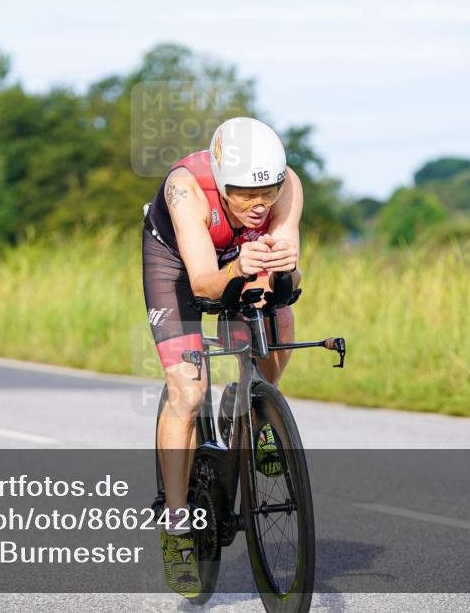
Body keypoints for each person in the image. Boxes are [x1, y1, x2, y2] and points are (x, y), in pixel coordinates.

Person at [141, 117, 303, 596]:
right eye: (244, 194)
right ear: (219, 177)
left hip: (237, 255)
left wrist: (278, 269)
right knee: (188, 393)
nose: (260, 205)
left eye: (268, 192)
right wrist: (239, 265)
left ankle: (257, 413)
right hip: (180, 263)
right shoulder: (185, 191)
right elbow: (204, 283)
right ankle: (175, 529)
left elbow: (291, 272)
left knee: (281, 319)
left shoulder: (288, 185)